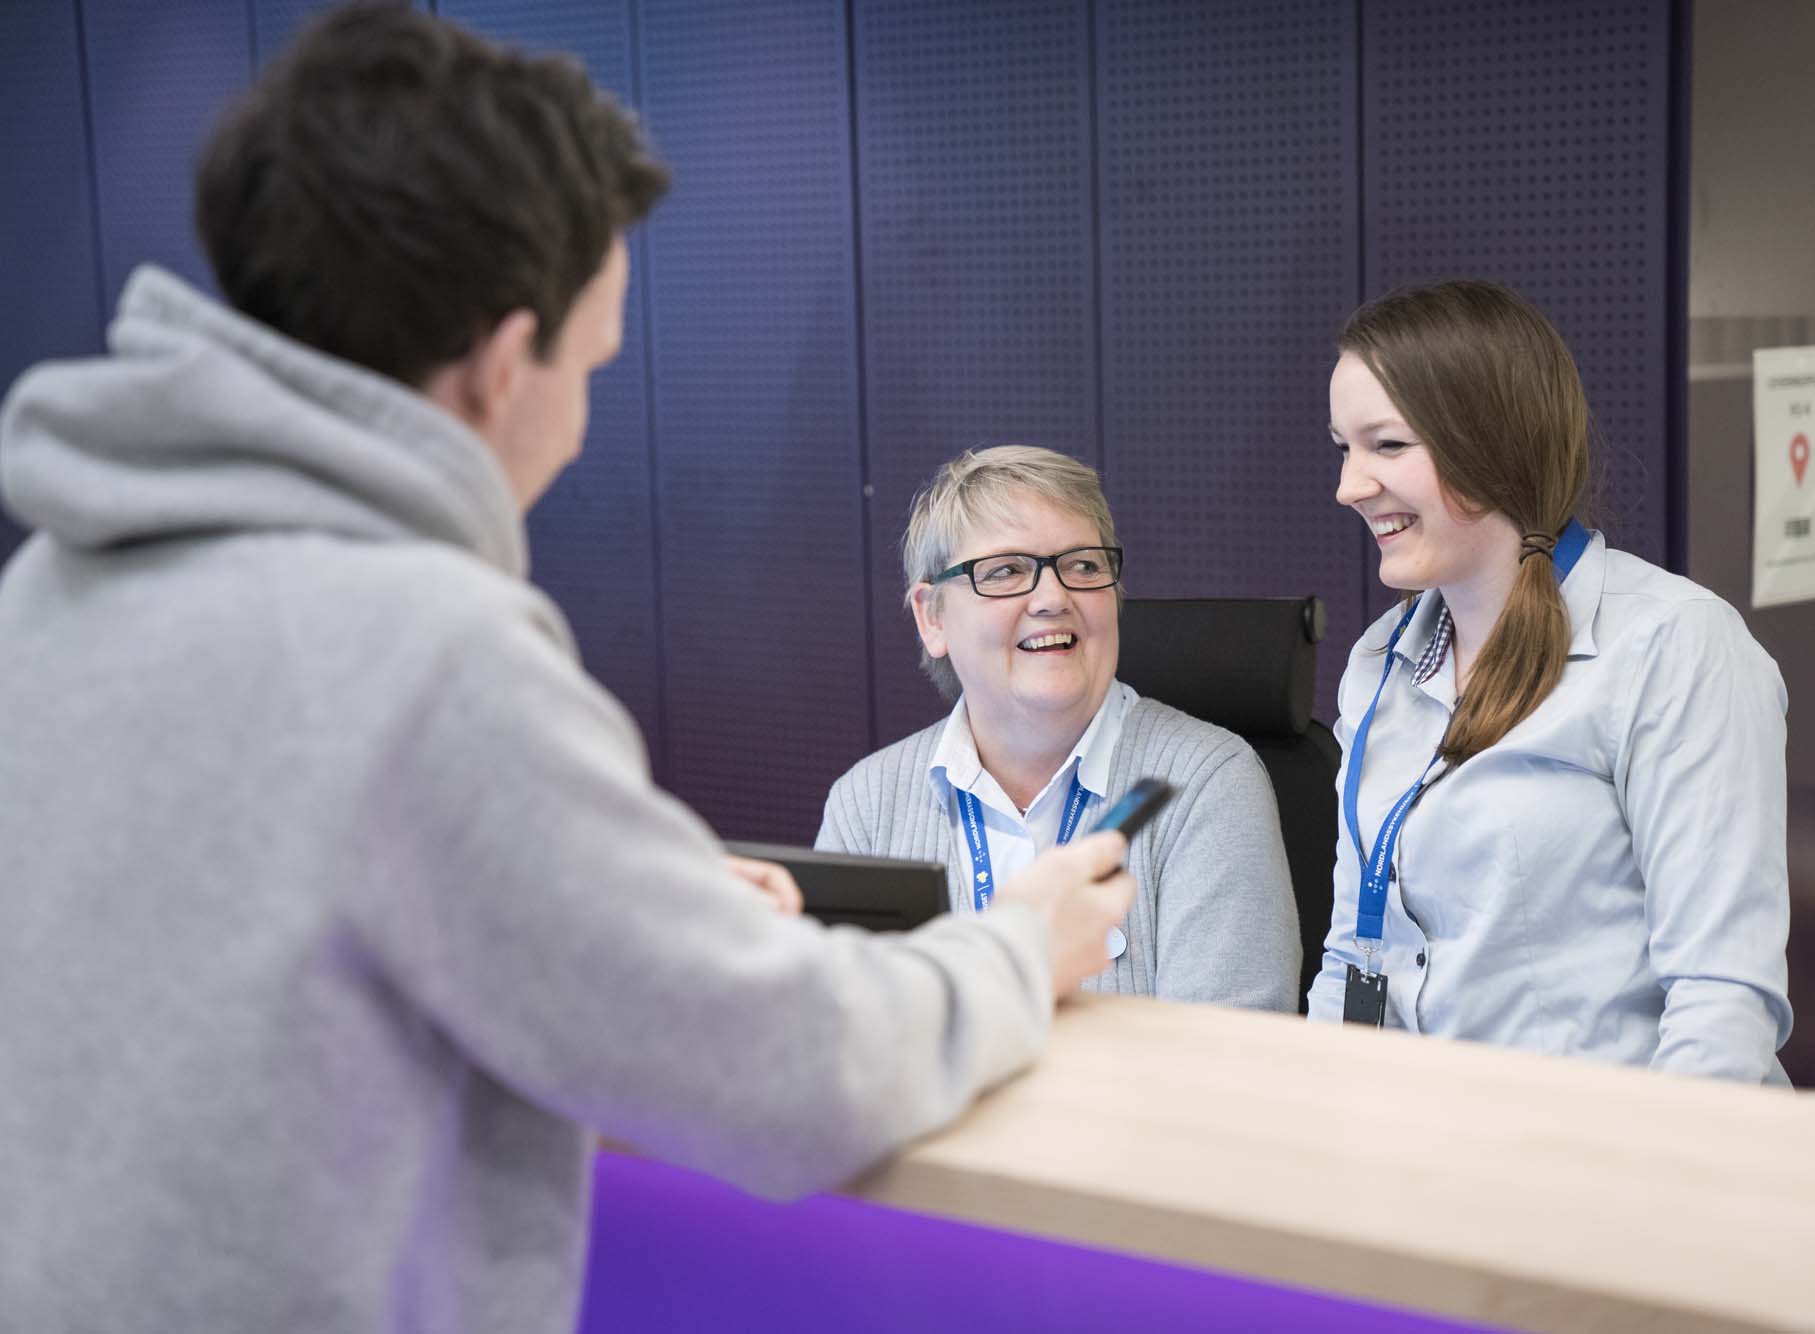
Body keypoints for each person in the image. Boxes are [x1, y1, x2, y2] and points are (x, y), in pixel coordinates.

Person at [0, 6, 1135, 1331]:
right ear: (497, 367)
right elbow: (791, 1072)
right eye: (589, 364)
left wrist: (600, 896)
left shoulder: (54, 587)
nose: (584, 425)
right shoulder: (432, 649)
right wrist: (1020, 947)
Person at [1305, 279, 1792, 1084]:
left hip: (1608, 1167)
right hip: (1423, 1153)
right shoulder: (1380, 660)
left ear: (1488, 445)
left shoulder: (1674, 647)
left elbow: (1722, 1004)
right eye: (1343, 448)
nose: (1350, 485)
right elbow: (1351, 957)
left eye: (1386, 446)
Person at [818, 446, 1300, 1011]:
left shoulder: (1205, 784)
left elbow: (1228, 1069)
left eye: (1083, 565)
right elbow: (835, 1050)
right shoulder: (866, 805)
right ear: (932, 617)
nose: (1052, 597)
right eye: (1005, 571)